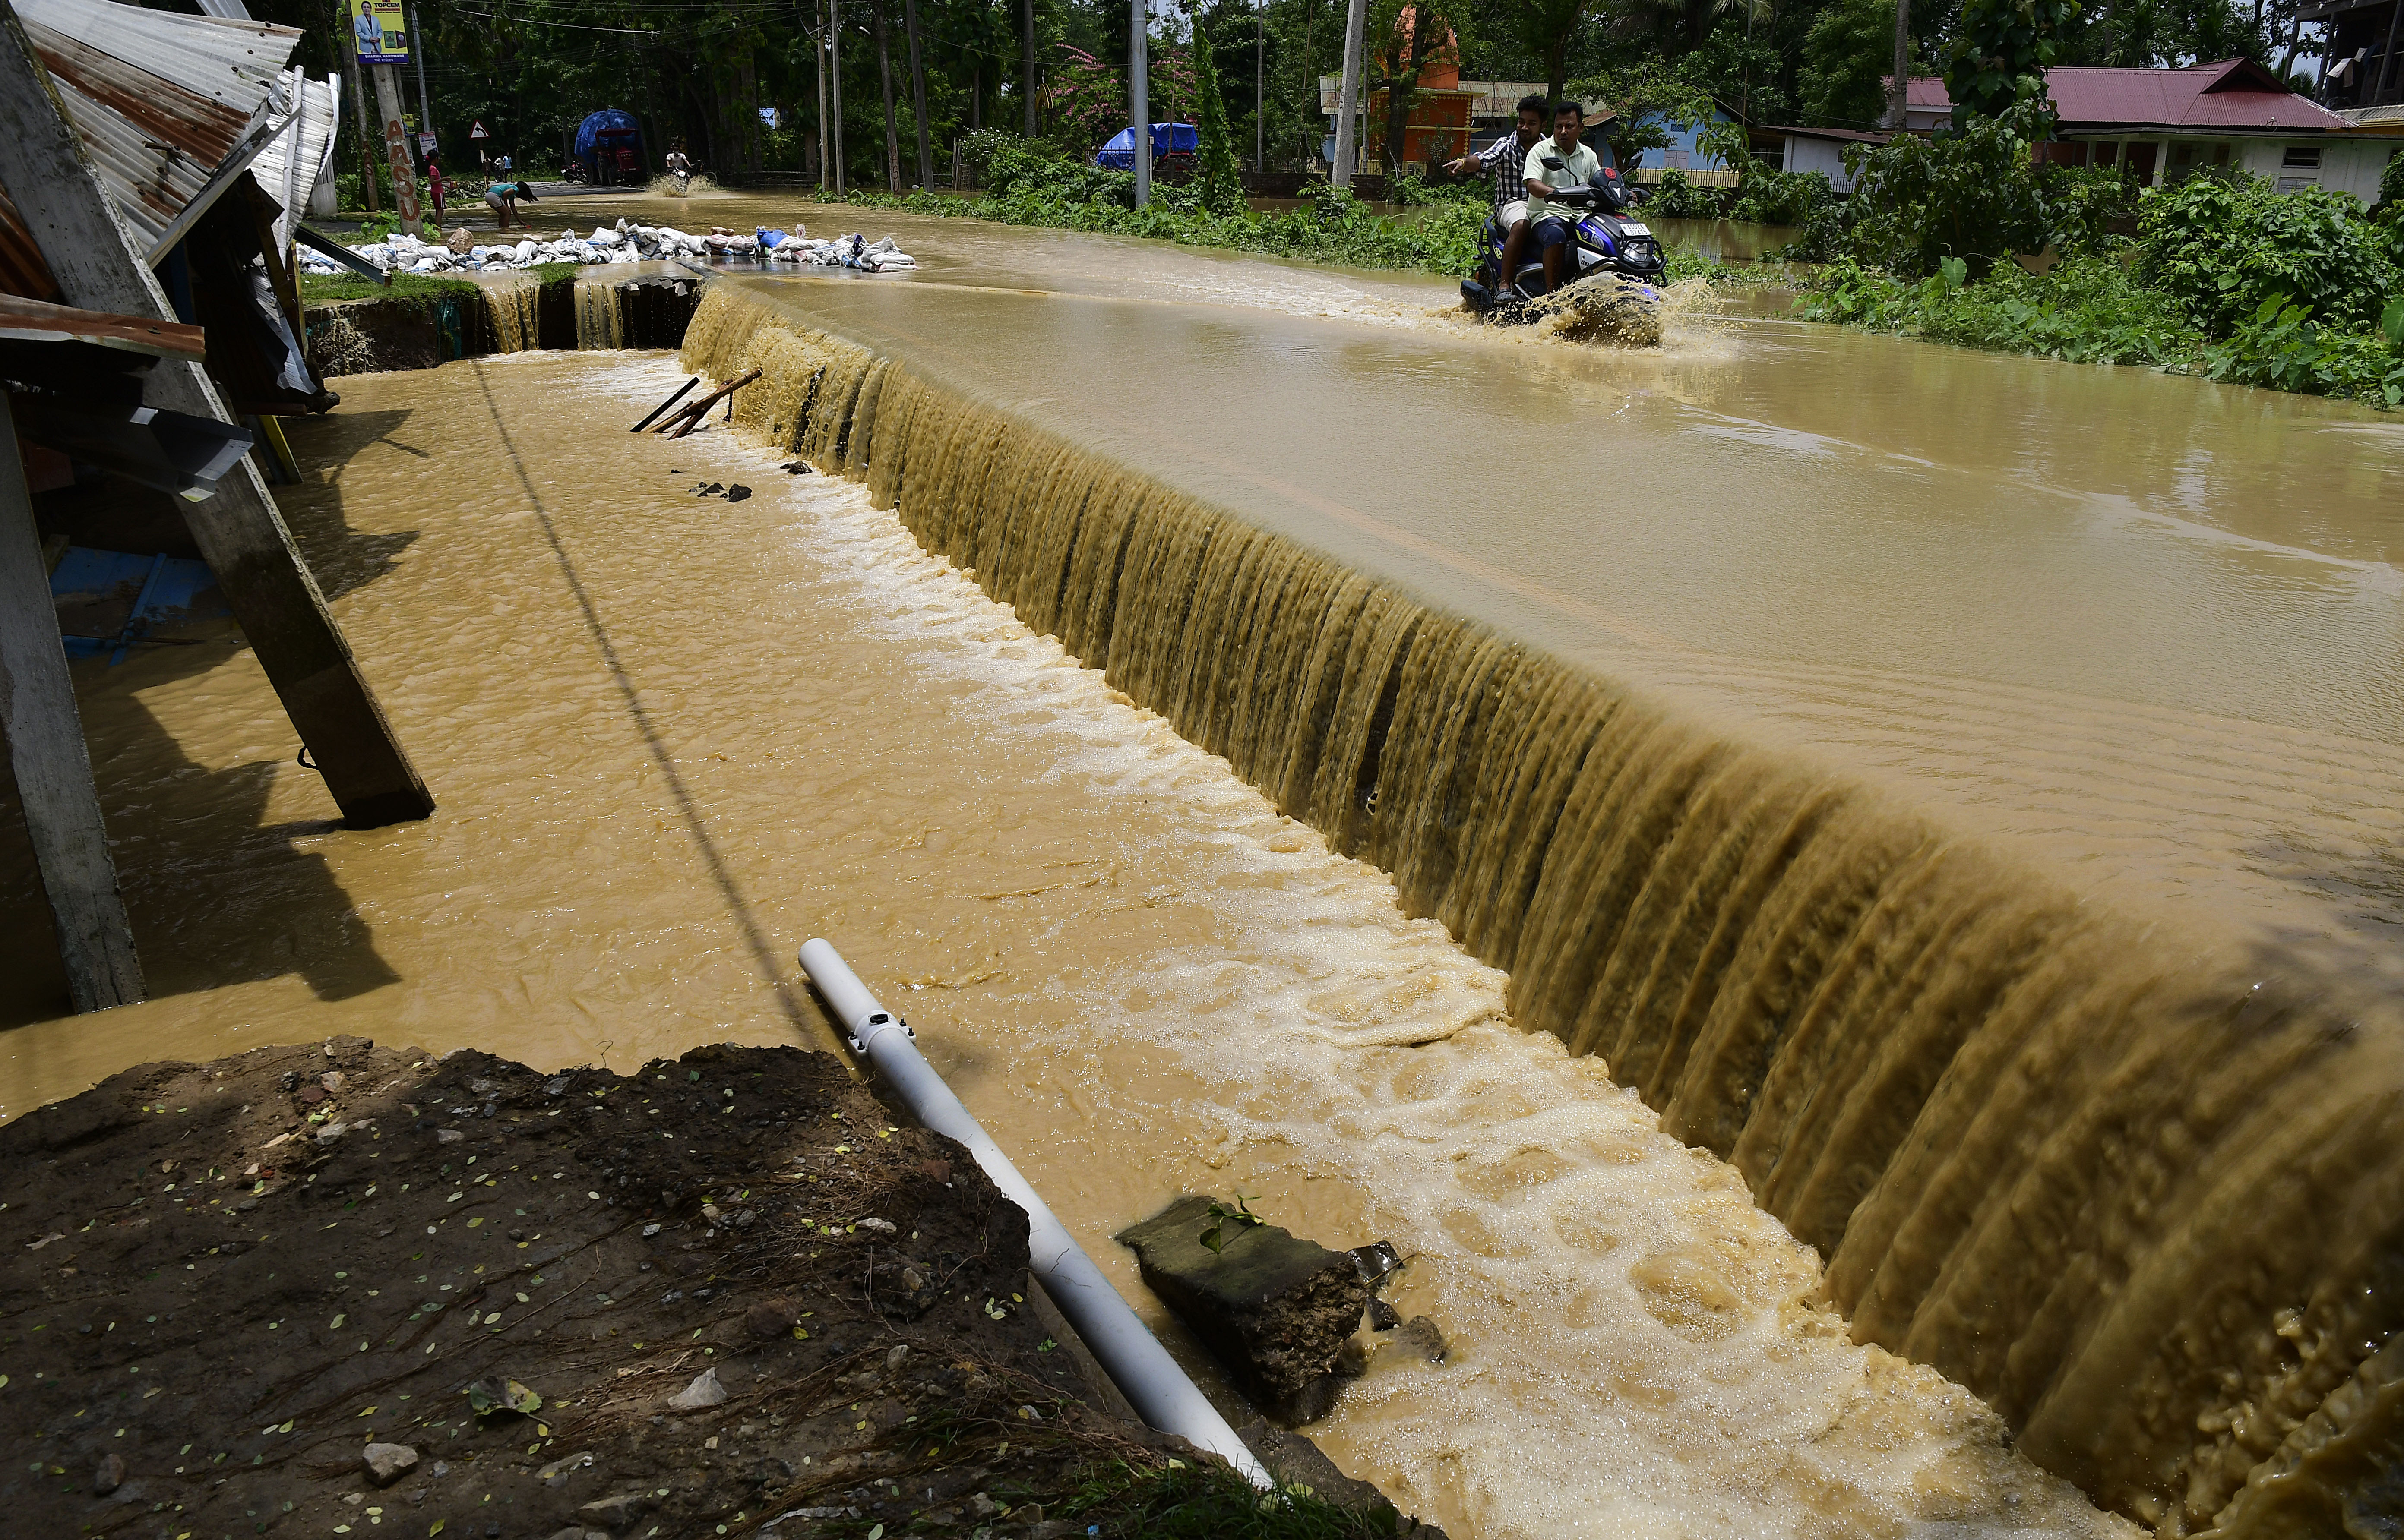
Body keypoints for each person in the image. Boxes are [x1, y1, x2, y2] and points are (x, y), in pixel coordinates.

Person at [1446, 94, 1548, 297]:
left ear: (1543, 126)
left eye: (1531, 123)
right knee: (1522, 223)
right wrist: (1464, 163)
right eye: (1521, 122)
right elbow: (1483, 160)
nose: (1525, 128)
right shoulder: (1506, 145)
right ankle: (1505, 285)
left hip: (1544, 205)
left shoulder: (1550, 148)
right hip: (1512, 205)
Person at [1523, 101, 1602, 294]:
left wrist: (1627, 192)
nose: (1563, 131)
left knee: (1605, 237)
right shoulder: (1541, 151)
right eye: (1559, 127)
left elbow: (1600, 182)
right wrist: (1554, 193)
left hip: (1579, 217)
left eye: (1569, 126)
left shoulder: (1589, 155)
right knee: (1556, 235)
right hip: (1546, 215)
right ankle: (1552, 295)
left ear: (1581, 128)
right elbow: (1532, 183)